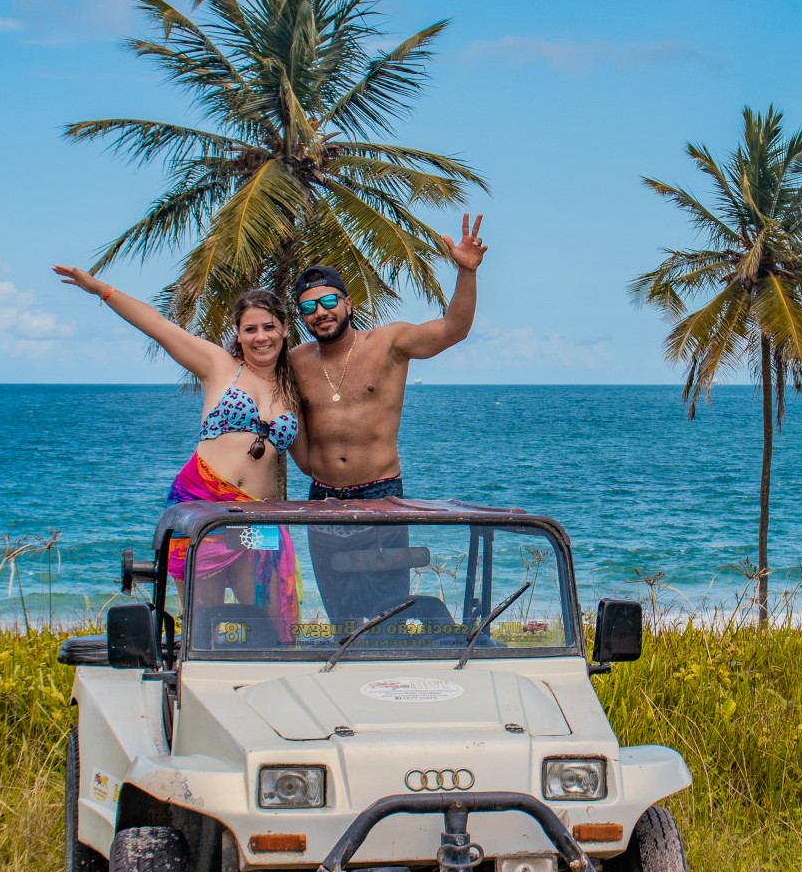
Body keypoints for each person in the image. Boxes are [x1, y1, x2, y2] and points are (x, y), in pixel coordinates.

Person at [50, 267, 303, 627]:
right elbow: (157, 325)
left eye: (268, 327)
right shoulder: (219, 366)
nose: (260, 337)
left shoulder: (294, 385)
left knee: (266, 616)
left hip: (257, 515)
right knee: (203, 618)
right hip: (202, 504)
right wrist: (100, 289)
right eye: (250, 329)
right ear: (238, 334)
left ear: (284, 329)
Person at [291, 214, 488, 621]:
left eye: (329, 301)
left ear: (349, 303)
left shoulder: (388, 344)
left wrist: (465, 272)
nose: (321, 312)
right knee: (340, 618)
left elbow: (454, 329)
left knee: (388, 616)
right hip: (322, 500)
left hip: (379, 495)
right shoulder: (294, 361)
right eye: (309, 307)